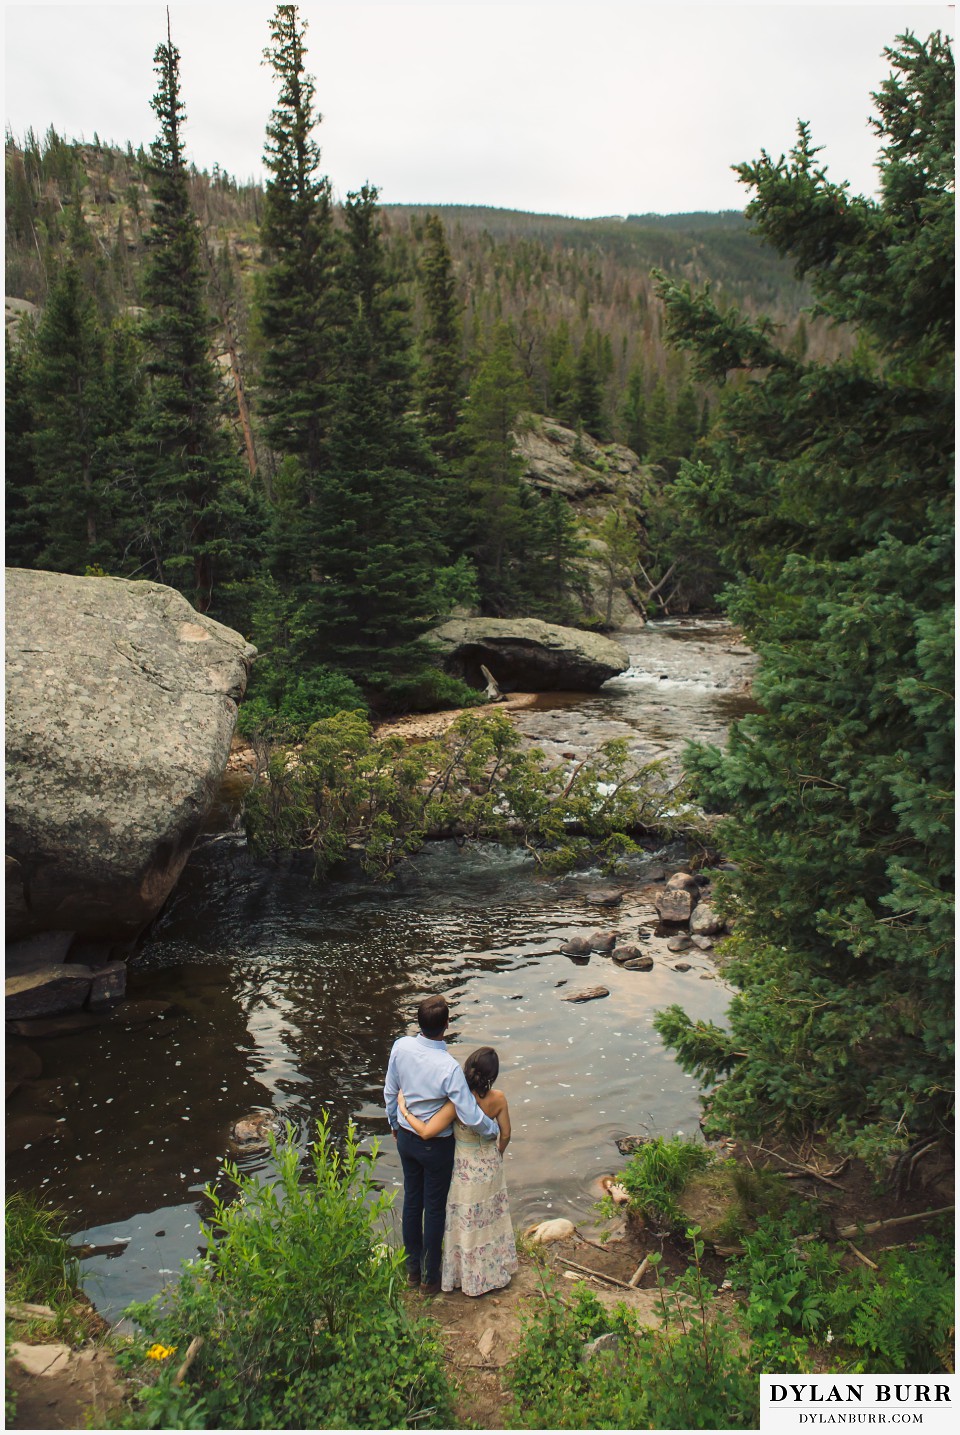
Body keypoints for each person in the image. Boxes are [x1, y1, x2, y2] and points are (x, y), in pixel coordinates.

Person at [384, 996, 499, 1296]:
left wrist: (395, 1124)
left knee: (412, 1201)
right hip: (436, 1147)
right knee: (433, 1210)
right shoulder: (448, 1068)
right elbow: (470, 1115)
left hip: (407, 1138)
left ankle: (411, 1270)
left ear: (419, 1023)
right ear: (447, 1025)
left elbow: (390, 1090)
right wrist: (493, 1129)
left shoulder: (400, 1047)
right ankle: (429, 1278)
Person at [398, 1046, 518, 1297]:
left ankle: (462, 1277)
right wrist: (499, 1153)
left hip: (463, 1167)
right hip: (489, 1163)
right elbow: (505, 1133)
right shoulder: (499, 1098)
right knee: (490, 1220)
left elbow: (427, 1131)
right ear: (492, 1075)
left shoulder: (456, 1102)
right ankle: (492, 1271)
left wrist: (404, 1111)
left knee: (463, 1223)